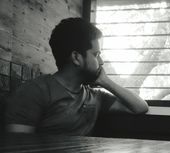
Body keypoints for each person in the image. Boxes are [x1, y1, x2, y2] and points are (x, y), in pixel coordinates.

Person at [5, 17, 148, 135]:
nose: (101, 62)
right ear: (76, 57)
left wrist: (105, 81)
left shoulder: (95, 97)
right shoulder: (34, 92)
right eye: (96, 54)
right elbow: (17, 149)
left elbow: (140, 107)